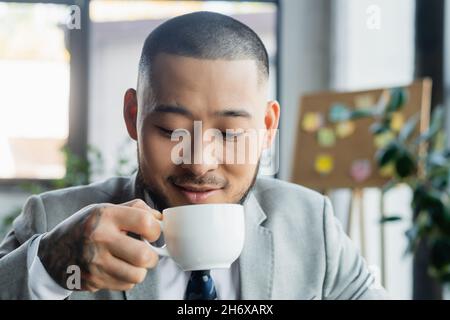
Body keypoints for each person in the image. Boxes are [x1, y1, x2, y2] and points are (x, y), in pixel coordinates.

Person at [0, 11, 388, 300]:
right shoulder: (55, 223)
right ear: (133, 117)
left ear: (268, 127)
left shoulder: (311, 226)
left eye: (230, 132)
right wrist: (48, 267)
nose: (199, 162)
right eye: (171, 131)